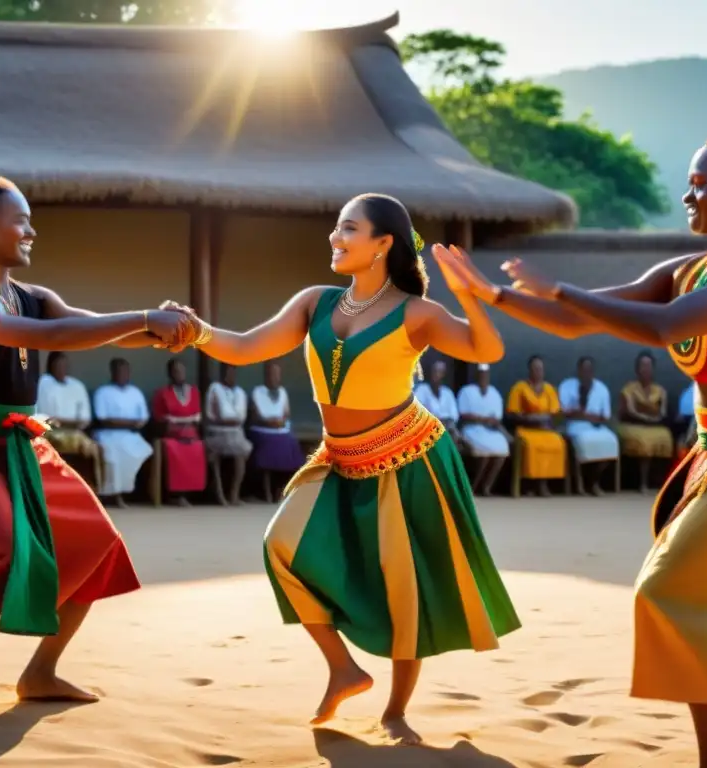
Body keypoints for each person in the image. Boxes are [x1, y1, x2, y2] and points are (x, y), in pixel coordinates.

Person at [434, 128, 707, 767]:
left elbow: (662, 328)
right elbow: (584, 319)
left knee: (670, 596)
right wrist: (493, 296)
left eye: (698, 182)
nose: (686, 194)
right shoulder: (691, 267)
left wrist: (558, 290)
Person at [159, 193, 518, 745]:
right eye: (335, 227)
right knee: (280, 545)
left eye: (348, 229)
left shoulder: (416, 313)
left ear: (383, 244)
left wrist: (471, 297)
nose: (334, 237)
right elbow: (248, 346)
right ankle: (344, 668)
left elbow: (484, 350)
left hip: (409, 458)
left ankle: (396, 711)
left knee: (404, 588)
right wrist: (197, 330)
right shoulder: (316, 303)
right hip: (338, 459)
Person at [0, 174, 187, 718]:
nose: (31, 231)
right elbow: (50, 339)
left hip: (22, 443)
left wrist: (168, 329)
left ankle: (40, 672)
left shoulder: (31, 296)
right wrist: (144, 319)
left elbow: (91, 327)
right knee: (2, 556)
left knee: (98, 547)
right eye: (21, 220)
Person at [36, 351, 102, 489]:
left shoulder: (76, 386)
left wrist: (66, 421)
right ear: (51, 366)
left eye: (64, 365)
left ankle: (93, 488)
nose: (61, 369)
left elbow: (84, 419)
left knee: (94, 449)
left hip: (75, 432)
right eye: (58, 365)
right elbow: (45, 417)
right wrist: (61, 421)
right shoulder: (44, 383)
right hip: (50, 432)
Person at [92, 358, 153, 508]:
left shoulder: (135, 392)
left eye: (126, 371)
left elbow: (143, 418)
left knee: (147, 451)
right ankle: (115, 496)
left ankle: (145, 495)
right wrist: (131, 422)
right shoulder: (103, 392)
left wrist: (129, 423)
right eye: (120, 371)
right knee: (114, 453)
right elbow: (105, 419)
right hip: (108, 434)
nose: (123, 374)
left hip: (131, 435)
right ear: (112, 372)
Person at [505, 354, 565, 497]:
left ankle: (543, 483)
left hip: (545, 429)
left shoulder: (549, 389)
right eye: (535, 369)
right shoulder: (520, 387)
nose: (538, 372)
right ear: (529, 370)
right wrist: (530, 419)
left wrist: (545, 421)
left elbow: (555, 413)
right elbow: (512, 413)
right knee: (531, 445)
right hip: (526, 429)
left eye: (540, 369)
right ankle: (529, 484)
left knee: (557, 442)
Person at [557, 356, 619, 495]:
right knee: (583, 442)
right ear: (578, 370)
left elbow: (605, 416)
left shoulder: (601, 388)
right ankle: (580, 484)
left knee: (611, 441)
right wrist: (583, 415)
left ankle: (593, 481)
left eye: (589, 369)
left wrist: (583, 415)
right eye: (583, 369)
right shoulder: (567, 385)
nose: (586, 372)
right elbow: (564, 412)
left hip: (596, 426)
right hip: (575, 425)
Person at [151, 357, 207, 506]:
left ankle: (191, 493)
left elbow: (198, 417)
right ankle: (175, 495)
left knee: (197, 448)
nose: (179, 374)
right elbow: (160, 418)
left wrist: (180, 420)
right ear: (170, 374)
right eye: (176, 371)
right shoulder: (162, 393)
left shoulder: (194, 391)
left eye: (182, 371)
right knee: (174, 449)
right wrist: (179, 421)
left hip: (191, 433)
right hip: (172, 435)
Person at [617, 351, 674, 493]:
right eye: (642, 366)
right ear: (637, 369)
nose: (646, 369)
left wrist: (653, 418)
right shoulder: (629, 388)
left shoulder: (659, 390)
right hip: (632, 424)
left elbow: (662, 412)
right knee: (645, 440)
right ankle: (643, 483)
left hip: (654, 424)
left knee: (666, 436)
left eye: (648, 366)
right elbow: (629, 411)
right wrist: (646, 417)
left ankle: (661, 482)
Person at [247, 360, 304, 502]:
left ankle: (280, 489)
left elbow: (286, 413)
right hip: (262, 429)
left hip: (280, 429)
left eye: (276, 374)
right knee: (270, 445)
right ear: (266, 375)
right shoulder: (257, 391)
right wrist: (269, 422)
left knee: (291, 444)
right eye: (271, 374)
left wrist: (280, 422)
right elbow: (255, 415)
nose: (274, 377)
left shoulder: (282, 392)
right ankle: (265, 492)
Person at [456, 363, 510, 496]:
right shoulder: (467, 391)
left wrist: (490, 421)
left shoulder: (494, 393)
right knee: (483, 453)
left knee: (502, 449)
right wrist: (482, 419)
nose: (483, 377)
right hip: (471, 429)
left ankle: (487, 486)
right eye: (481, 375)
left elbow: (497, 417)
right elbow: (463, 414)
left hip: (491, 431)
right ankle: (473, 487)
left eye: (486, 375)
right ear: (476, 375)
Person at [205, 363, 253, 506]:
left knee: (241, 454)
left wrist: (228, 419)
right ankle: (219, 494)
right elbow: (212, 415)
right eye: (227, 372)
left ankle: (234, 494)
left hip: (236, 433)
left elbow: (241, 417)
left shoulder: (240, 392)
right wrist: (228, 419)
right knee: (214, 457)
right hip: (217, 432)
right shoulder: (214, 389)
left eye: (233, 373)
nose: (230, 376)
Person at [413, 359, 460, 437]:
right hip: (429, 428)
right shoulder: (422, 389)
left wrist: (444, 422)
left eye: (440, 372)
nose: (436, 375)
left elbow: (454, 415)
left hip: (448, 428)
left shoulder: (448, 393)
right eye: (434, 371)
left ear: (444, 375)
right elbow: (416, 412)